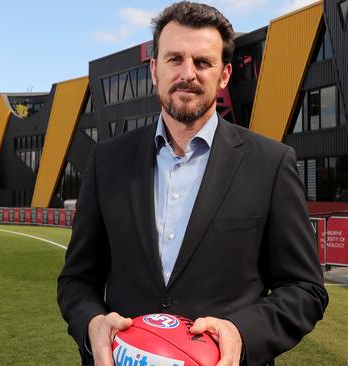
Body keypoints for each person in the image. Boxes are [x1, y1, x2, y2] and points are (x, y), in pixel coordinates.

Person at [57, 2, 328, 365]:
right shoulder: (107, 160)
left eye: (203, 62)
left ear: (225, 75)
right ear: (154, 70)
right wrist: (91, 323)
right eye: (174, 59)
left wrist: (241, 333)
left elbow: (305, 289)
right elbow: (76, 280)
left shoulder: (271, 164)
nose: (188, 73)